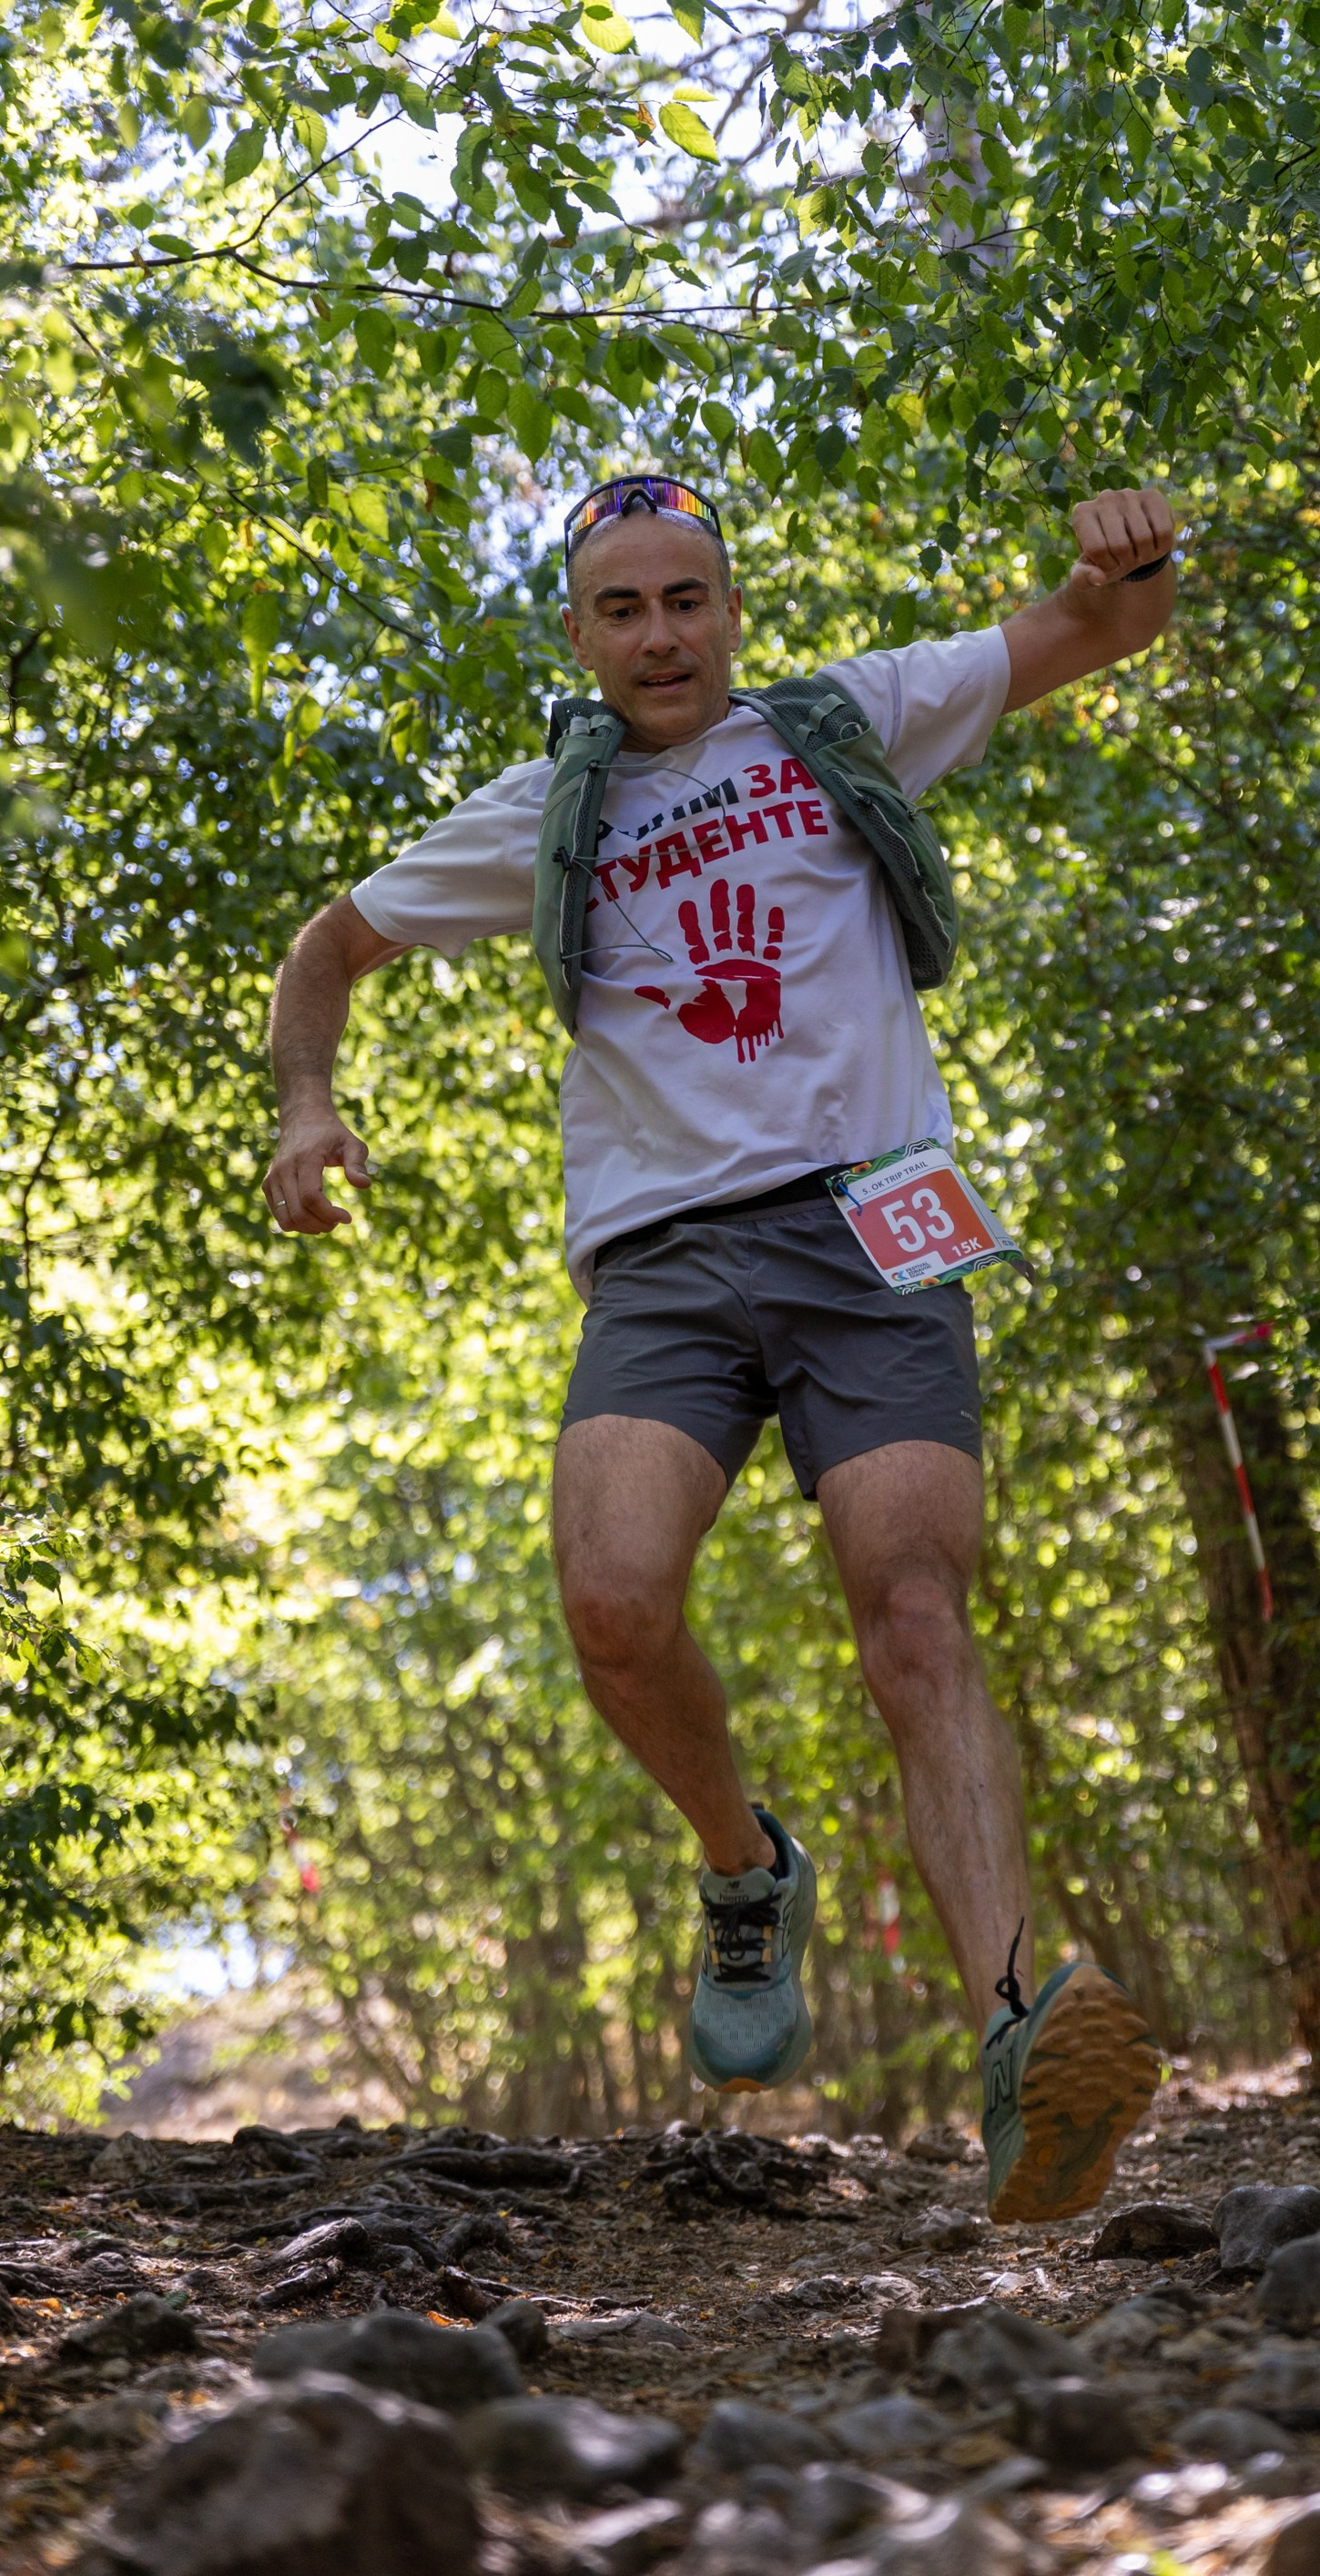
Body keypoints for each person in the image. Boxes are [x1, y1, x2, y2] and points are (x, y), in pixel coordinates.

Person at [262, 473, 1179, 2221]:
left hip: (873, 1223)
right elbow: (331, 947)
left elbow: (1100, 626)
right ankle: (747, 1870)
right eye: (624, 609)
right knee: (611, 1605)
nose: (660, 636)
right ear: (580, 634)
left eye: (686, 600)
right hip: (664, 1264)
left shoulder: (856, 720)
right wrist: (309, 1109)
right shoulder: (543, 811)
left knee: (914, 1610)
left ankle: (1015, 2042)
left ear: (730, 611)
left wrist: (1129, 564)